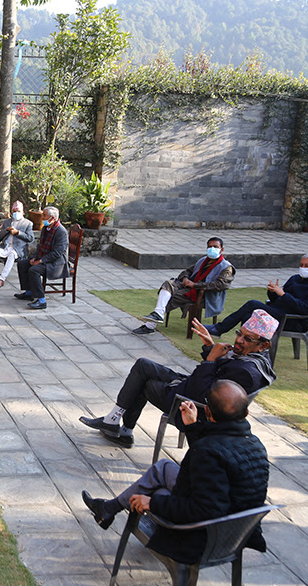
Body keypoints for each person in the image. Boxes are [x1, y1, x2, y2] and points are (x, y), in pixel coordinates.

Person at [81, 379, 270, 566]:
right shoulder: (256, 445)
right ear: (246, 413)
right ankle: (108, 509)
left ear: (207, 411)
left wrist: (153, 503)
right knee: (163, 468)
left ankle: (109, 510)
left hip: (203, 538)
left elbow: (203, 509)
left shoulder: (207, 451)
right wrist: (192, 427)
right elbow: (214, 459)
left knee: (155, 492)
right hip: (239, 534)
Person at [80, 309, 278, 448]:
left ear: (264, 345)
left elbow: (203, 394)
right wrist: (210, 346)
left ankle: (120, 427)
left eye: (247, 339)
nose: (239, 340)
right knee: (143, 365)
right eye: (239, 334)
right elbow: (216, 374)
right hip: (190, 386)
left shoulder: (247, 371)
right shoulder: (255, 359)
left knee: (144, 382)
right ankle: (116, 424)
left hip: (190, 407)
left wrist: (210, 359)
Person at [204, 253, 308, 337]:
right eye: (301, 265)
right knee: (247, 316)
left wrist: (283, 294)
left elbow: (307, 309)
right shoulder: (295, 279)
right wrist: (273, 292)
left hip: (293, 320)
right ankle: (245, 350)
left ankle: (219, 329)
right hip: (278, 313)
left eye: (307, 266)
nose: (303, 268)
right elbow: (277, 300)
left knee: (253, 304)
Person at [133, 237, 234, 335]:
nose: (212, 249)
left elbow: (221, 285)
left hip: (205, 294)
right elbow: (187, 271)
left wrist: (195, 285)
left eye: (215, 247)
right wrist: (185, 278)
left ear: (222, 249)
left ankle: (150, 325)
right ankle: (158, 314)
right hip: (189, 287)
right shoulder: (203, 260)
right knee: (168, 284)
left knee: (173, 296)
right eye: (210, 247)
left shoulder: (226, 267)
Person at [13, 206, 68, 310]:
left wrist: (41, 261)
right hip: (44, 257)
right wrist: (34, 257)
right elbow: (40, 246)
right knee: (22, 263)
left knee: (34, 270)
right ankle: (29, 292)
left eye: (44, 215)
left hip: (56, 263)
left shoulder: (61, 232)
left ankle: (41, 300)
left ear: (52, 218)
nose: (42, 217)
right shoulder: (46, 228)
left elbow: (57, 253)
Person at [0, 201, 33, 288]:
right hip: (6, 246)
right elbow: (0, 235)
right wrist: (7, 230)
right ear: (11, 212)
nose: (16, 213)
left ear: (23, 212)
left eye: (18, 211)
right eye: (14, 211)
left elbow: (30, 238)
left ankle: (2, 279)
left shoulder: (27, 223)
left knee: (12, 254)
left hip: (18, 249)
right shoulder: (7, 222)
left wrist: (18, 233)